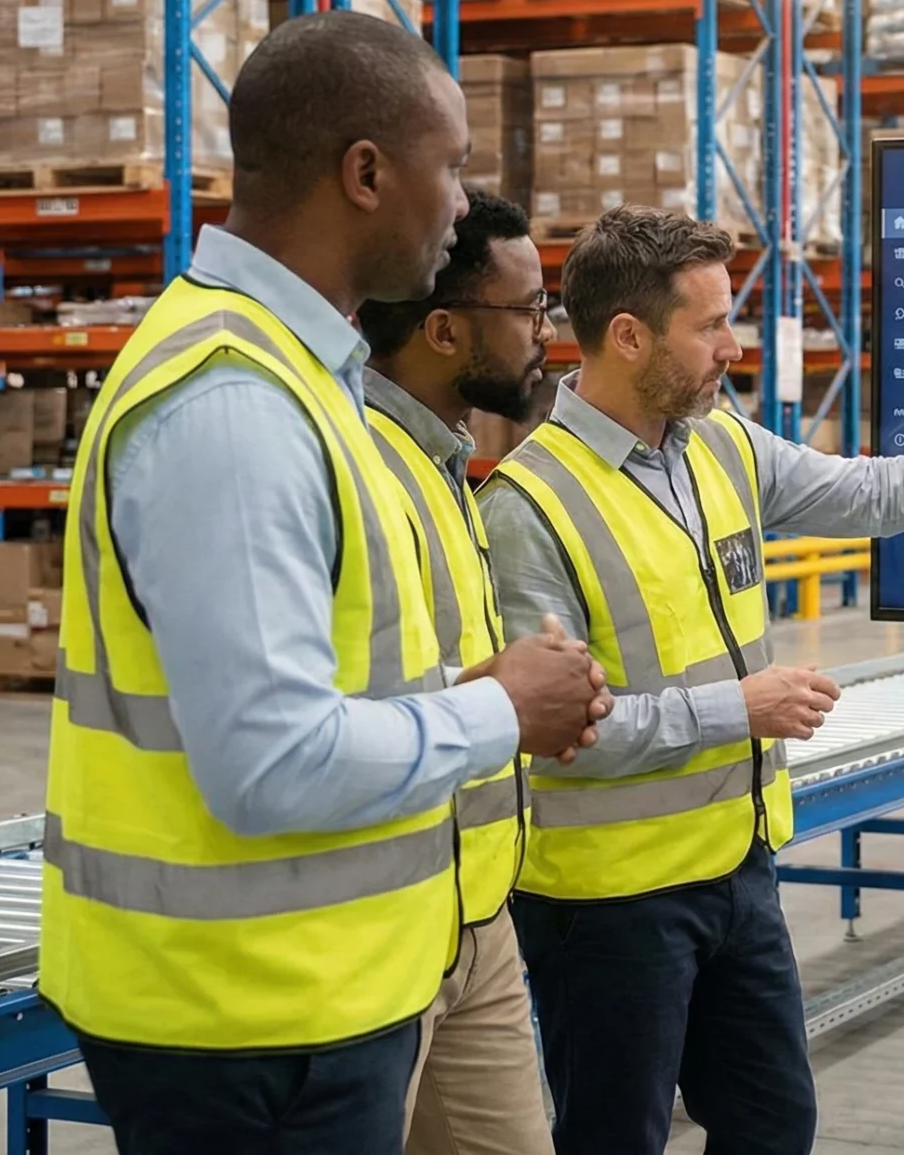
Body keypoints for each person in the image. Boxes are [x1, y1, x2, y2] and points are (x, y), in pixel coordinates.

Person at [481, 204, 904, 1155]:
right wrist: (739, 708)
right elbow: (553, 731)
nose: (732, 347)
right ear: (630, 335)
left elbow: (875, 491)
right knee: (615, 1138)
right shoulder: (530, 505)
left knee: (774, 1122)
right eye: (710, 325)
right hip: (609, 906)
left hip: (737, 867)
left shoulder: (719, 446)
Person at [39, 12, 612, 1155]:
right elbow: (271, 763)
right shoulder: (234, 403)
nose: (459, 203)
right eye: (450, 166)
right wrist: (501, 709)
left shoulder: (303, 375)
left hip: (314, 991)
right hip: (243, 1020)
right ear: (365, 173)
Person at [353, 187, 555, 1155]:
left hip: (476, 913)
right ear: (443, 330)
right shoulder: (363, 464)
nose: (545, 333)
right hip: (384, 930)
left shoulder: (443, 462)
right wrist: (511, 700)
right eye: (529, 309)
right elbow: (344, 713)